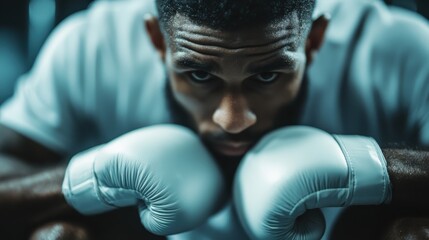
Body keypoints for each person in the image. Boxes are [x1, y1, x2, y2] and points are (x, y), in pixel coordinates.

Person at [0, 0, 428, 239]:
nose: (233, 120)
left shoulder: (392, 48)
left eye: (267, 75)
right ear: (157, 40)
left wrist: (369, 168)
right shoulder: (93, 46)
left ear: (313, 42)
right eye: (200, 75)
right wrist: (92, 180)